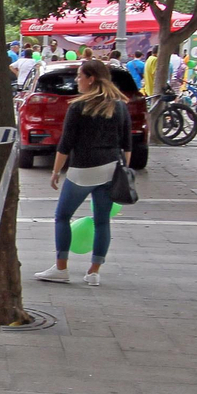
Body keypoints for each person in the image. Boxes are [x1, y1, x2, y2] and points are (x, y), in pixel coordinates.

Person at [36, 59, 132, 287]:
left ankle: (61, 268)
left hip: (83, 171)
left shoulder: (78, 107)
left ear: (91, 79)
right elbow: (127, 145)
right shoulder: (119, 106)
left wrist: (56, 171)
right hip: (110, 168)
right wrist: (124, 172)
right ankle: (94, 272)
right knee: (102, 221)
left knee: (62, 216)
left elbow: (65, 144)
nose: (77, 80)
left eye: (79, 76)